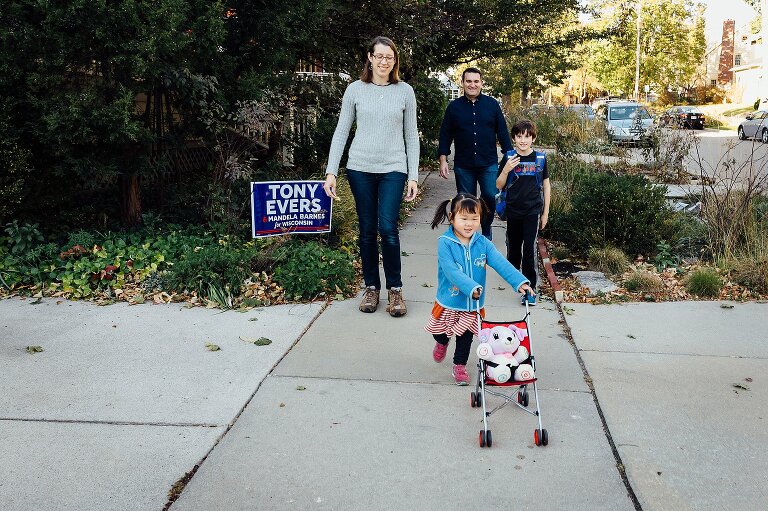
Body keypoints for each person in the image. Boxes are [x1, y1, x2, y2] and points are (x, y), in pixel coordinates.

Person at [323, 36, 419, 317]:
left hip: (393, 168)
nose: (384, 61)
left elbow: (411, 136)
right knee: (367, 230)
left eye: (389, 57)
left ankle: (396, 291)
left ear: (395, 61)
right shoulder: (355, 90)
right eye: (379, 56)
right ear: (370, 58)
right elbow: (341, 132)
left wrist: (413, 175)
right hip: (360, 168)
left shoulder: (405, 92)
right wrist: (331, 171)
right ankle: (371, 287)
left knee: (388, 228)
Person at [425, 193, 534, 385]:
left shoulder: (482, 243)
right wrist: (471, 287)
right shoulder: (445, 242)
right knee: (439, 331)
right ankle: (442, 341)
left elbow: (501, 263)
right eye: (463, 218)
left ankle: (459, 366)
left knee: (465, 337)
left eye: (474, 219)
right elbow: (451, 271)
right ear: (452, 218)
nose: (469, 224)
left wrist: (520, 282)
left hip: (472, 305)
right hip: (449, 300)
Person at [437, 68, 513, 240]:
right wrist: (443, 158)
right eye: (468, 81)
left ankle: (486, 229)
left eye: (476, 81)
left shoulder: (492, 105)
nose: (472, 85)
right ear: (463, 83)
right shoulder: (453, 108)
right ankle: (467, 235)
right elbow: (445, 134)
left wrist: (509, 155)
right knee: (465, 201)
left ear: (481, 83)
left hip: (488, 163)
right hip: (464, 165)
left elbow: (502, 131)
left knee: (490, 197)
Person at [495, 119, 550, 307]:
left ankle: (530, 289)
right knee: (514, 249)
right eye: (519, 137)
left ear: (533, 138)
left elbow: (546, 186)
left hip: (532, 211)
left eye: (527, 137)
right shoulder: (509, 158)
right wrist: (507, 169)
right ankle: (516, 279)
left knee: (529, 250)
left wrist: (545, 213)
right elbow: (499, 185)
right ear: (514, 138)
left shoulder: (540, 159)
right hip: (513, 210)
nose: (523, 140)